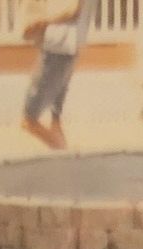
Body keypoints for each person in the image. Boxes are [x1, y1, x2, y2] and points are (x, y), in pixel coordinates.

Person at [21, 0, 93, 150]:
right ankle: (65, 160)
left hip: (57, 48)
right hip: (66, 47)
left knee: (28, 120)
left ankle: (64, 152)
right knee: (55, 118)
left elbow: (72, 11)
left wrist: (40, 22)